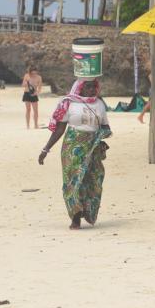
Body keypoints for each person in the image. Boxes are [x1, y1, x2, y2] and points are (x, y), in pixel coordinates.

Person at [38, 79, 112, 230]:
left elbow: (105, 126)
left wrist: (102, 136)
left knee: (93, 179)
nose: (92, 90)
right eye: (88, 87)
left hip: (92, 148)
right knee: (73, 181)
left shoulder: (99, 104)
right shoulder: (69, 103)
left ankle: (88, 211)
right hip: (72, 148)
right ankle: (76, 217)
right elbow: (59, 130)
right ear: (79, 88)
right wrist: (45, 149)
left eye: (94, 87)